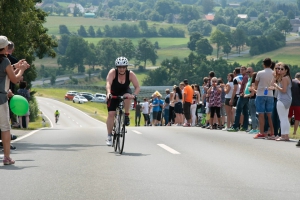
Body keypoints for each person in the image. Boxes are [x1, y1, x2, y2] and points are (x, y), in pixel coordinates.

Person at [0, 35, 29, 165]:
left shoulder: (6, 63)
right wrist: (21, 69)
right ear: (5, 47)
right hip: (1, 99)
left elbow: (6, 72)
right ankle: (6, 157)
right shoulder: (5, 61)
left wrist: (14, 66)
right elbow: (14, 79)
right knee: (5, 128)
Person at [105, 57, 140, 146]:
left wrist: (134, 95)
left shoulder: (130, 74)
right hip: (113, 93)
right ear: (117, 67)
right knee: (111, 114)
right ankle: (109, 136)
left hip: (125, 91)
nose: (121, 69)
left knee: (128, 96)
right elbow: (108, 83)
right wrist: (108, 93)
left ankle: (126, 115)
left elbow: (137, 87)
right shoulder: (113, 72)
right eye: (119, 67)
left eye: (124, 67)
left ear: (126, 67)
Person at [253, 58, 274, 139]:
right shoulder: (273, 73)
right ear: (271, 64)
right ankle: (272, 132)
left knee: (261, 114)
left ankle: (261, 132)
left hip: (261, 94)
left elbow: (256, 83)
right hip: (270, 94)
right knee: (269, 114)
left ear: (263, 64)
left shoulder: (260, 73)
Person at [272, 64, 292, 141]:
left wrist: (276, 86)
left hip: (282, 99)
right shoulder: (288, 78)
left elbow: (283, 90)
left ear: (286, 70)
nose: (279, 70)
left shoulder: (284, 78)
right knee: (285, 118)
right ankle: (286, 135)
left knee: (282, 118)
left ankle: (283, 135)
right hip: (288, 99)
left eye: (282, 69)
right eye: (279, 69)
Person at [288, 73, 300, 141]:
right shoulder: (299, 83)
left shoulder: (290, 82)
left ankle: (286, 130)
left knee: (289, 117)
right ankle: (295, 132)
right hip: (298, 103)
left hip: (290, 102)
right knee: (297, 118)